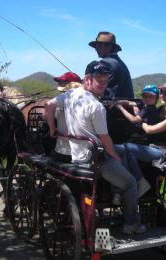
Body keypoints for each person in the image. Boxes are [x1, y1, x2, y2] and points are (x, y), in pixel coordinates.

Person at [44, 60, 146, 235]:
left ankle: (116, 191)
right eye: (99, 80)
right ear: (87, 79)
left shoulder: (70, 94)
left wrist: (52, 128)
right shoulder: (97, 107)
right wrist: (114, 156)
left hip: (77, 154)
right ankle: (131, 223)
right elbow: (105, 140)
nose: (103, 85)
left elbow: (48, 105)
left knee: (123, 149)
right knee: (129, 182)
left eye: (106, 81)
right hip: (94, 159)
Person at [121, 81, 166, 194]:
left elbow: (149, 129)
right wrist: (130, 105)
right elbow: (145, 108)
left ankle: (140, 181)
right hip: (149, 146)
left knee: (127, 147)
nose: (162, 95)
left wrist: (138, 119)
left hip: (161, 151)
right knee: (123, 148)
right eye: (161, 92)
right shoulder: (161, 109)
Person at [45, 72, 82, 162]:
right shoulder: (88, 99)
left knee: (45, 132)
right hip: (83, 151)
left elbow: (46, 111)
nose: (58, 84)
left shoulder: (63, 98)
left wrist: (52, 129)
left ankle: (47, 155)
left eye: (62, 82)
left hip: (64, 151)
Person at [89, 31, 134, 99]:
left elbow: (94, 89)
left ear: (108, 47)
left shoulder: (106, 63)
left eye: (98, 46)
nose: (96, 49)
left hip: (112, 108)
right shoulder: (120, 63)